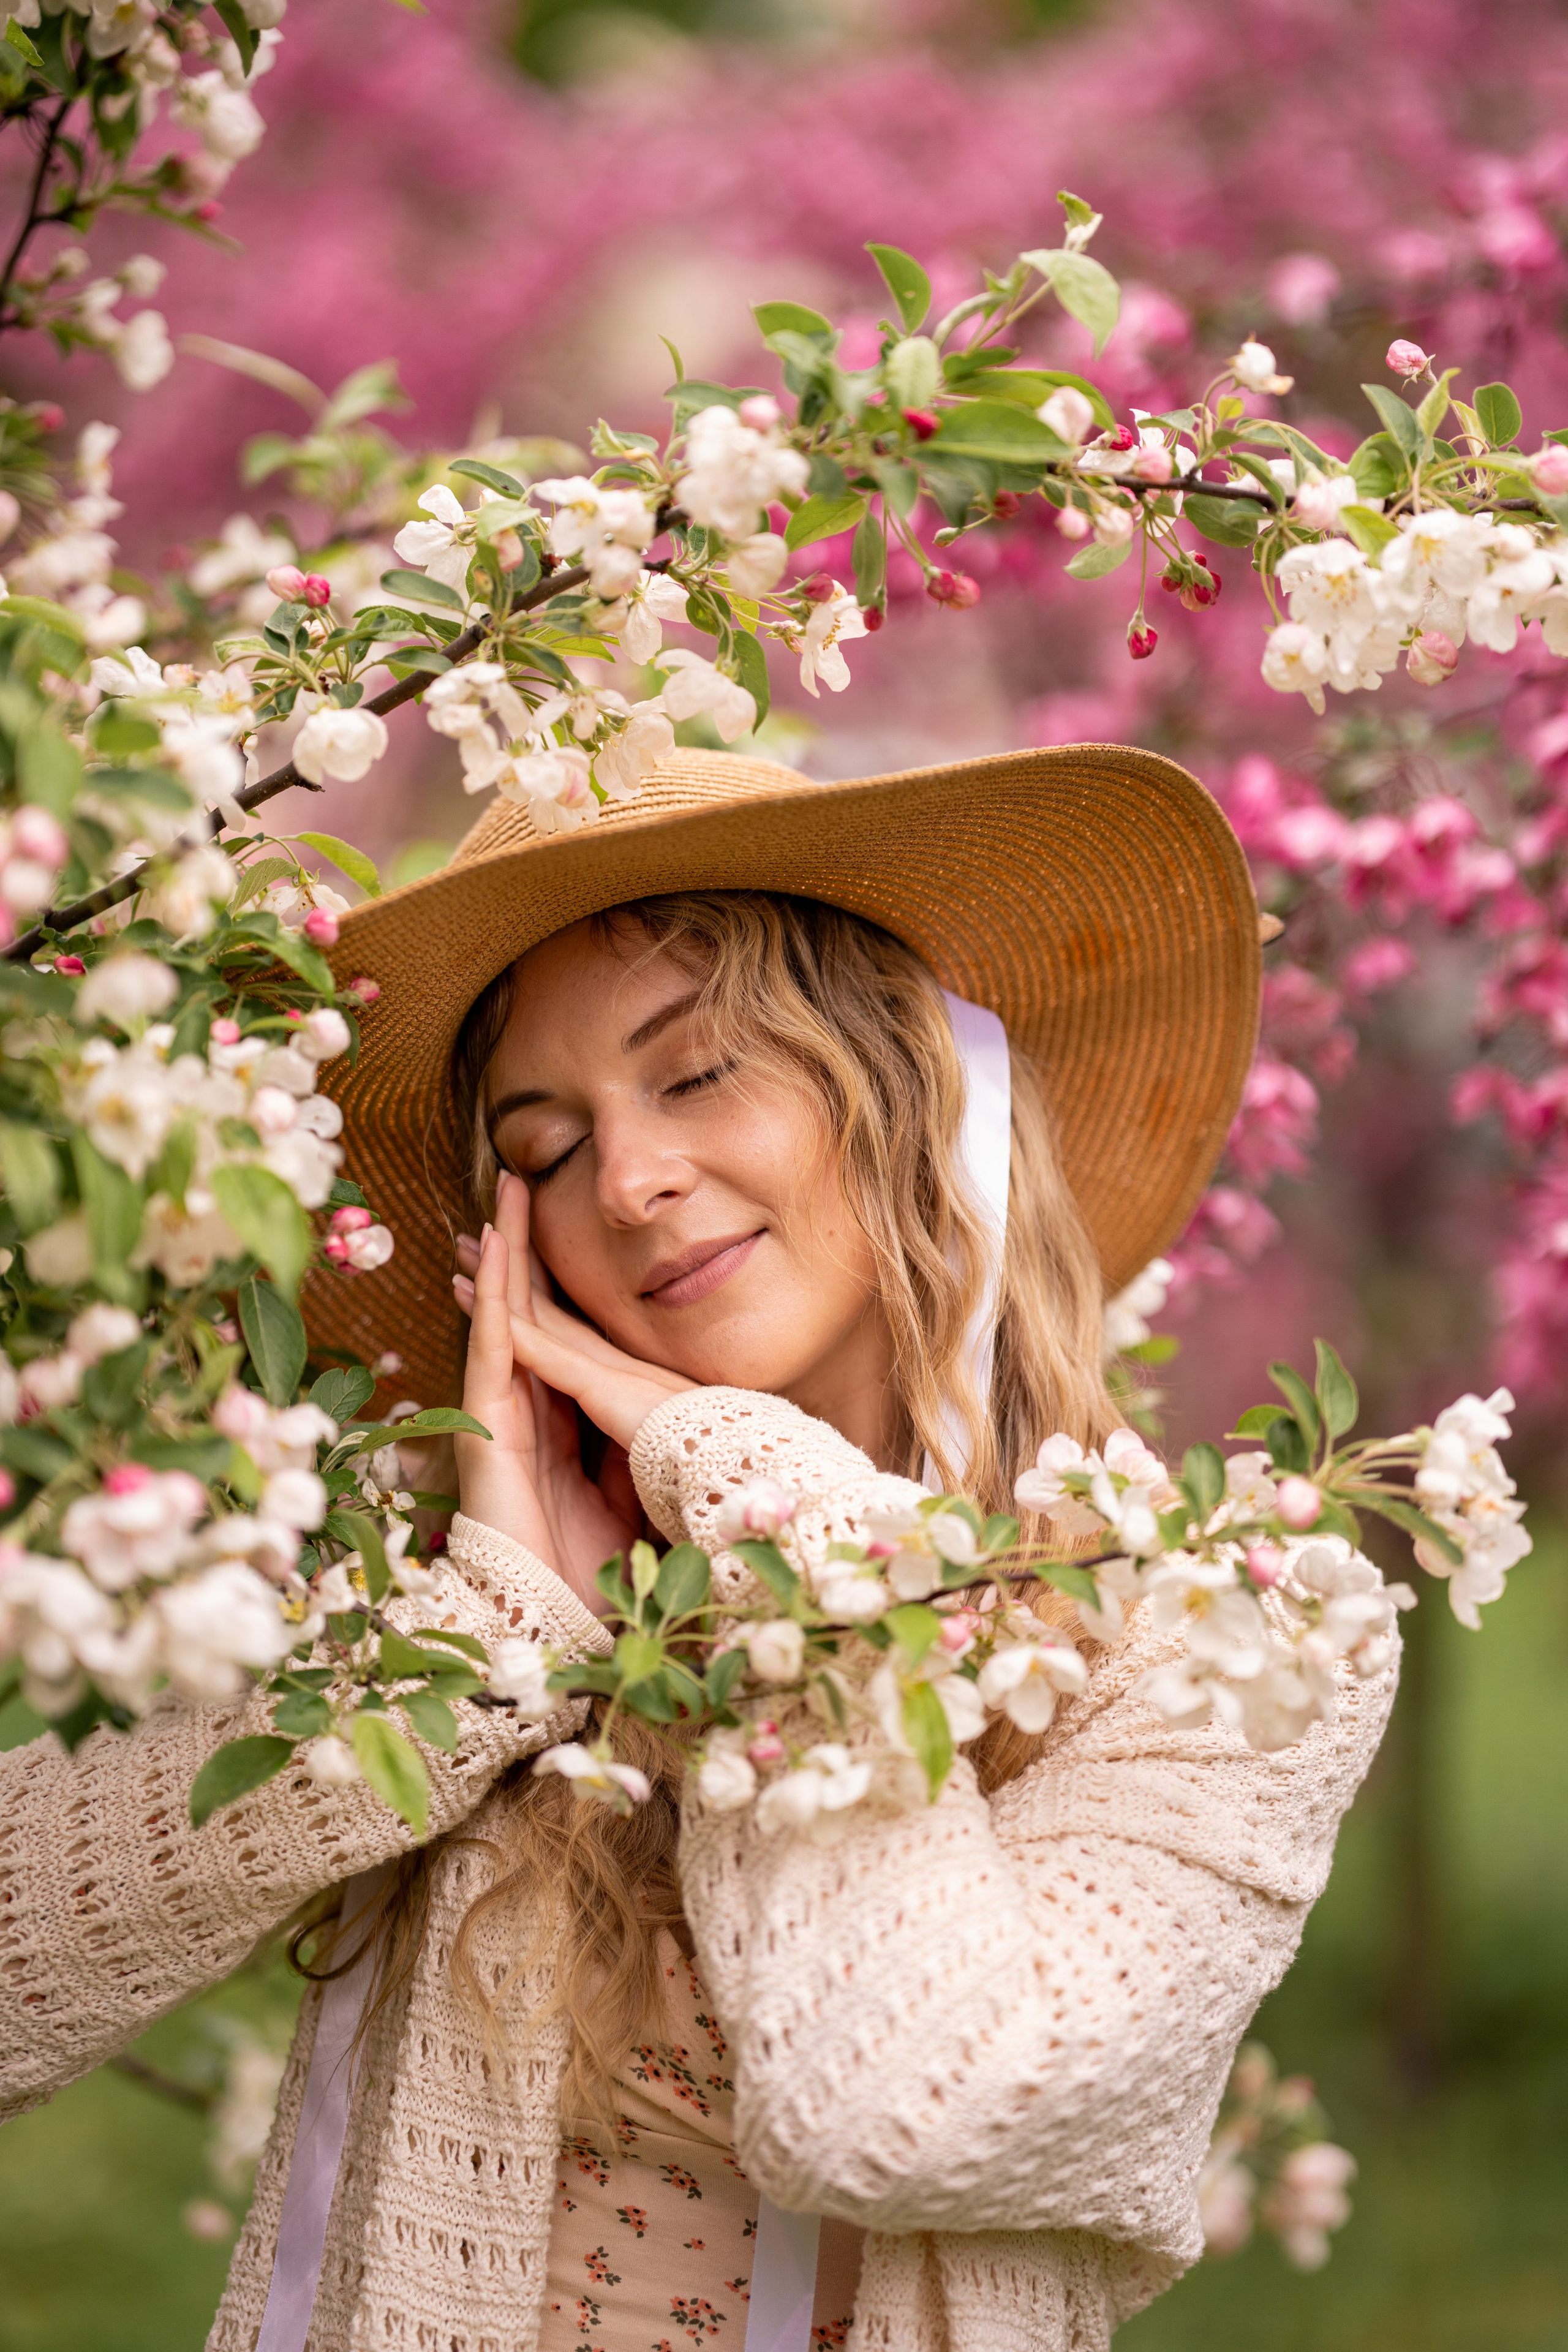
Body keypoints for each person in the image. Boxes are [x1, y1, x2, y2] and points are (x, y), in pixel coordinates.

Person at [0, 747, 1396, 2352]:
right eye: (545, 1145)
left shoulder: (1234, 1635)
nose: (635, 1179)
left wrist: (747, 1492)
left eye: (700, 1072)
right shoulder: (443, 1563)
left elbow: (889, 2103)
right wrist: (479, 1640)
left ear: (904, 1085)